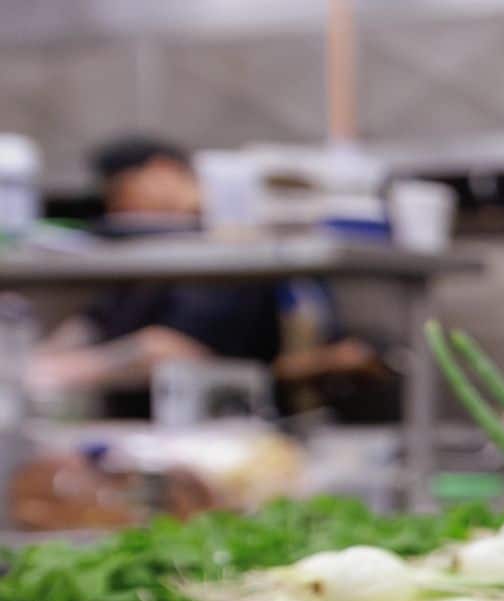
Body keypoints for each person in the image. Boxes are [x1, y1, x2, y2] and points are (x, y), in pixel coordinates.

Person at [29, 136, 377, 415]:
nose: (117, 209)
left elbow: (172, 348)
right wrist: (32, 360)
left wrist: (66, 370)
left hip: (232, 427)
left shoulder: (228, 243)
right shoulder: (147, 248)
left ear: (161, 170)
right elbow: (94, 322)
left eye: (121, 193)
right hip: (149, 429)